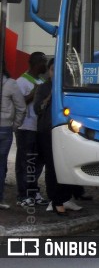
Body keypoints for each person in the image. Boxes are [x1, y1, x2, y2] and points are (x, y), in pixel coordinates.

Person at [34, 58, 80, 216]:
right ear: (49, 71)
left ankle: (65, 197)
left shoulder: (69, 87)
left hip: (67, 130)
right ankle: (55, 200)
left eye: (59, 70)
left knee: (67, 164)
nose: (55, 73)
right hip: (47, 131)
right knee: (52, 167)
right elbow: (37, 109)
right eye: (53, 70)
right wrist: (50, 95)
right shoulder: (43, 87)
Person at [14, 52, 48, 208]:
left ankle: (33, 191)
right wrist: (33, 94)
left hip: (38, 127)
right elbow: (18, 104)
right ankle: (23, 195)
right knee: (24, 162)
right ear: (36, 63)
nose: (46, 66)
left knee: (37, 161)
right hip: (25, 127)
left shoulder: (41, 80)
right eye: (44, 62)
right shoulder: (21, 81)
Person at [1, 63, 27, 209]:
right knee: (1, 164)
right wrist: (14, 126)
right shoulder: (11, 84)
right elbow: (21, 108)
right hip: (5, 128)